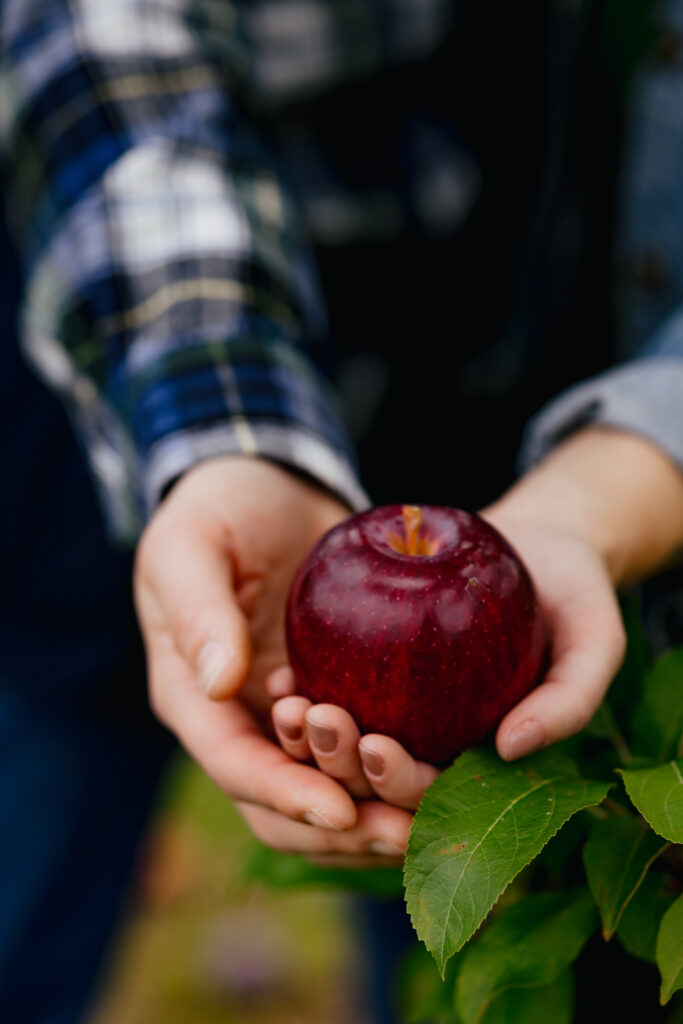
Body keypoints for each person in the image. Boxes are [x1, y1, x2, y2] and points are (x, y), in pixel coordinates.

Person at [2, 0, 683, 1021]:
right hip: (143, 362)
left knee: (428, 882)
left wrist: (605, 487)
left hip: (520, 376)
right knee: (36, 849)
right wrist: (225, 433)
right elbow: (108, 41)